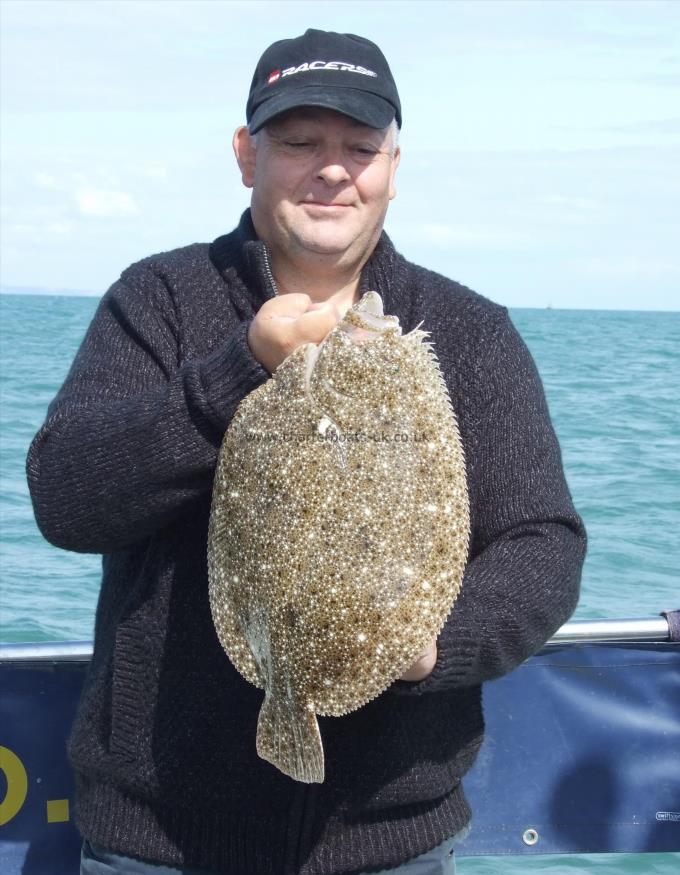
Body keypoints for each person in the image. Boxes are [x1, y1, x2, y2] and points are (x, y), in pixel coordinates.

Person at [26, 28, 587, 875]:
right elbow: (66, 497)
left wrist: (432, 643)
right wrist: (238, 371)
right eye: (299, 143)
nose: (333, 169)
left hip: (389, 838)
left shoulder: (468, 333)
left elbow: (544, 545)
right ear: (247, 154)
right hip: (159, 841)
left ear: (394, 168)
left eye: (360, 147)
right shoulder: (159, 300)